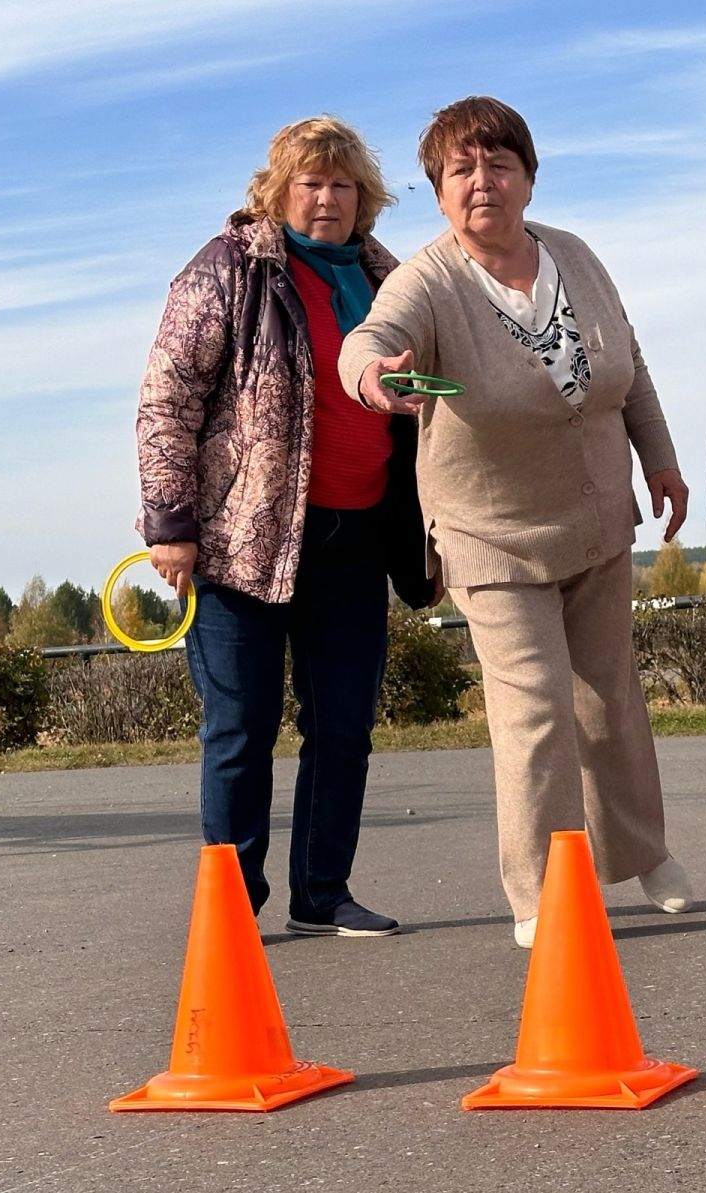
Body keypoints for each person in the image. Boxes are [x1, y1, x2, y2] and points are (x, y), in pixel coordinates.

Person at [339, 95, 692, 948]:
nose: (481, 181)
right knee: (534, 712)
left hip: (599, 519)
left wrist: (662, 461)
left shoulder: (573, 254)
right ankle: (541, 896)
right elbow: (372, 337)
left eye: (499, 164)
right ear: (438, 191)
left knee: (610, 702)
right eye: (461, 169)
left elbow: (629, 363)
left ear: (529, 176)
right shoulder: (426, 281)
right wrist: (370, 374)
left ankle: (642, 854)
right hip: (491, 537)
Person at [136, 116, 436, 936]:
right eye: (311, 183)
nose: (328, 198)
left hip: (358, 536)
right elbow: (168, 400)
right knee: (241, 729)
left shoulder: (389, 278)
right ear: (278, 192)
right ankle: (232, 911)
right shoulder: (229, 268)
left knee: (343, 727)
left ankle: (322, 895)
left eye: (343, 185)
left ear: (364, 198)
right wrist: (170, 522)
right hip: (244, 543)